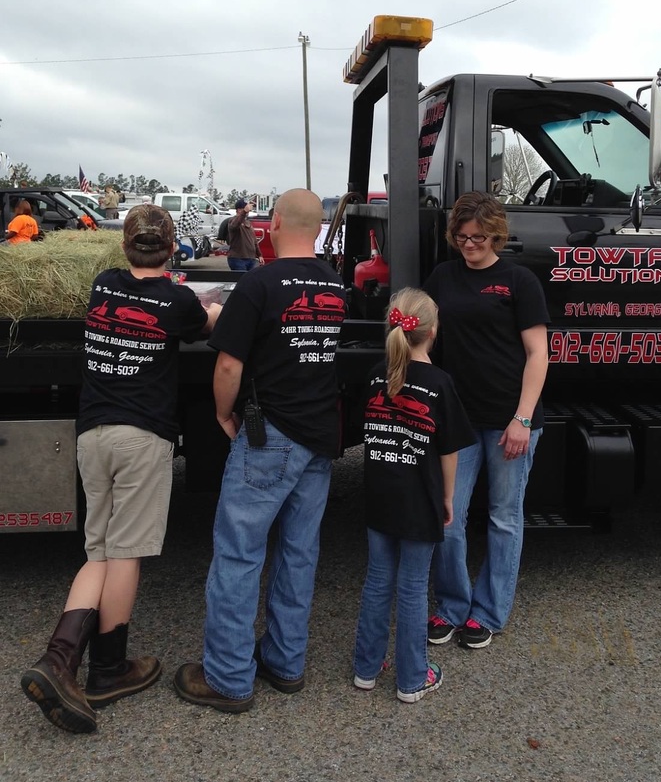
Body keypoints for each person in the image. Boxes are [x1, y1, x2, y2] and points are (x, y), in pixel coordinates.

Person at [21, 204, 221, 734]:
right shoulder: (178, 300)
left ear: (124, 245)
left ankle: (60, 660)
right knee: (127, 553)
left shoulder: (103, 285)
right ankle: (107, 668)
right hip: (140, 437)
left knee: (99, 550)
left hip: (93, 434)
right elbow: (208, 323)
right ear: (173, 247)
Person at [173, 188, 346, 713]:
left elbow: (227, 365)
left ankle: (228, 677)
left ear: (272, 229)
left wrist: (223, 414)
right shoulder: (334, 285)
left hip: (268, 437)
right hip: (320, 438)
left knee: (239, 553)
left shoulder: (259, 284)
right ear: (317, 230)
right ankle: (285, 663)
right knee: (299, 553)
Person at [424, 191, 549, 650]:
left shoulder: (518, 281)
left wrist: (522, 419)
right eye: (461, 237)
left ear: (496, 233)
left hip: (509, 421)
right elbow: (422, 339)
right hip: (457, 419)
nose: (470, 244)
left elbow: (539, 354)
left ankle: (489, 613)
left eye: (478, 237)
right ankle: (452, 607)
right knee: (448, 517)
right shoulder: (442, 277)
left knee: (503, 518)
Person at [353, 289, 474, 703]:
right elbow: (448, 450)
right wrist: (448, 498)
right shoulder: (440, 384)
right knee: (411, 586)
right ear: (433, 331)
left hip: (379, 494)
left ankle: (366, 669)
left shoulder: (374, 375)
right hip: (419, 499)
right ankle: (412, 678)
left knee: (377, 580)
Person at [218, 198, 264, 271]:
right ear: (239, 210)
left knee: (250, 281)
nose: (248, 210)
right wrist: (244, 212)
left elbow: (254, 241)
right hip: (238, 259)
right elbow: (235, 225)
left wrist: (259, 255)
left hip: (251, 259)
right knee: (240, 280)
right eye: (245, 208)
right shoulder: (232, 221)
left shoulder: (248, 223)